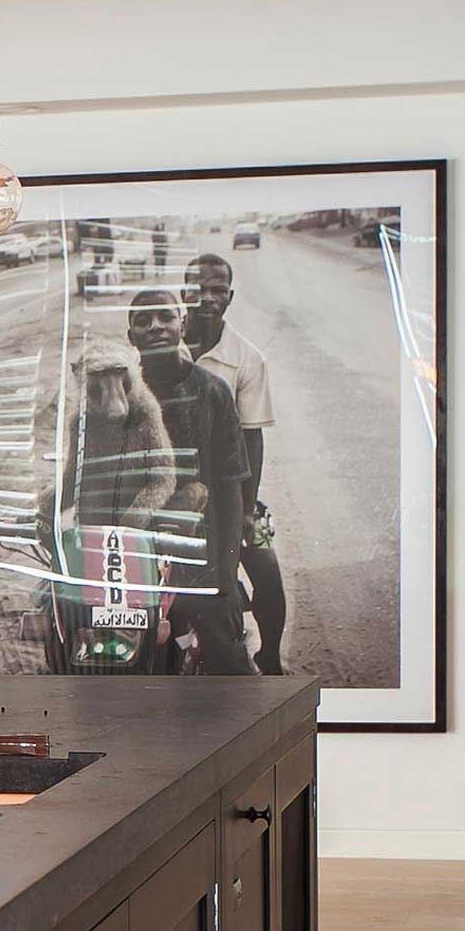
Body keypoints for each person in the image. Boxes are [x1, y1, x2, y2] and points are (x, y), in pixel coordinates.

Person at [128, 286, 256, 675]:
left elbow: (230, 488)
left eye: (165, 317)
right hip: (136, 554)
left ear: (182, 325)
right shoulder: (119, 395)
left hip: (201, 554)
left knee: (227, 662)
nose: (155, 327)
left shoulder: (212, 392)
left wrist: (227, 576)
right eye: (143, 320)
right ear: (130, 334)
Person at [187, 251, 288, 673]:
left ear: (229, 297)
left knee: (265, 570)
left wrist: (247, 510)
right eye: (198, 289)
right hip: (172, 485)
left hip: (228, 489)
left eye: (216, 290)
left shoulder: (247, 358)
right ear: (183, 293)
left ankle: (269, 652)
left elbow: (252, 438)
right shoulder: (162, 343)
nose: (207, 297)